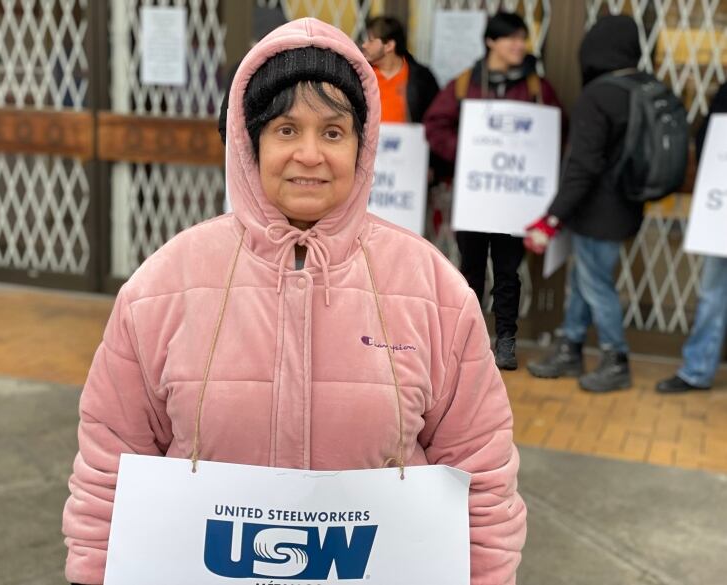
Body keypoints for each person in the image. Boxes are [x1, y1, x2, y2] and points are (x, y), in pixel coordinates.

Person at [63, 18, 526, 585]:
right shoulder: (163, 285)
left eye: (333, 132)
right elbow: (110, 465)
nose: (310, 154)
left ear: (362, 145)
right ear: (249, 139)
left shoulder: (433, 289)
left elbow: (481, 470)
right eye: (286, 129)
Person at [423, 11, 563, 371]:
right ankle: (468, 338)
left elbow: (553, 133)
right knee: (470, 267)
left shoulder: (536, 88)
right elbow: (436, 124)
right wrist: (468, 155)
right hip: (475, 195)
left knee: (507, 271)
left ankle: (506, 341)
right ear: (491, 42)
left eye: (522, 38)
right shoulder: (464, 83)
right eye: (511, 38)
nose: (519, 45)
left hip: (513, 200)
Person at [524, 15, 644, 392]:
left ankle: (615, 357)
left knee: (595, 284)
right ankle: (571, 347)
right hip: (628, 206)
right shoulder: (644, 88)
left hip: (597, 210)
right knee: (584, 279)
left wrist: (552, 218)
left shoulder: (599, 95)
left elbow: (583, 165)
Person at [656, 80, 727, 393]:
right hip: (721, 210)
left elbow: (704, 138)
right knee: (714, 292)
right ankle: (697, 368)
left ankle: (698, 369)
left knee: (714, 293)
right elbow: (708, 141)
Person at [361, 15, 439, 124]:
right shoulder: (360, 74)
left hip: (407, 140)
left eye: (370, 40)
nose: (364, 45)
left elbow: (435, 117)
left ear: (389, 45)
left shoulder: (422, 78)